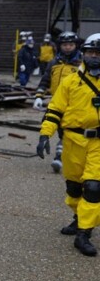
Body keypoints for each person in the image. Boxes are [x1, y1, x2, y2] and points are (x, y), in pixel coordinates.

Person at [36, 33, 100, 257]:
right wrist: (45, 135)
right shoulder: (71, 81)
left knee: (93, 188)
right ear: (85, 53)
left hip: (98, 144)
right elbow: (55, 109)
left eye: (99, 53)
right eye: (92, 52)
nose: (95, 57)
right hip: (72, 140)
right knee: (73, 189)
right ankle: (78, 217)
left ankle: (84, 233)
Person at [34, 31, 82, 179]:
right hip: (56, 102)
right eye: (65, 45)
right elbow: (45, 80)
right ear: (60, 46)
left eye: (71, 44)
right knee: (54, 127)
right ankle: (61, 153)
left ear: (75, 46)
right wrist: (39, 96)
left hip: (75, 104)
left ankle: (59, 156)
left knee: (67, 131)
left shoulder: (81, 64)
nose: (67, 47)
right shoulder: (54, 63)